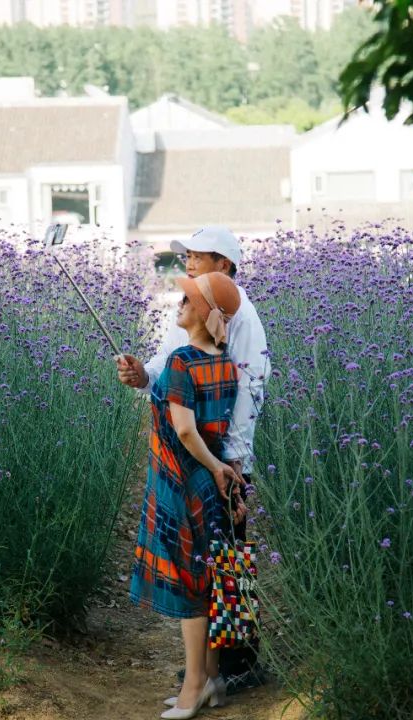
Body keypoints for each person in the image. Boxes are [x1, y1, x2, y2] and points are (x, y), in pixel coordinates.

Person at [117, 226, 271, 693]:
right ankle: (207, 670)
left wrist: (236, 462)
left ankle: (238, 665)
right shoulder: (193, 305)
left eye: (199, 256)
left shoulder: (240, 315)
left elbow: (250, 388)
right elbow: (170, 362)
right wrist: (144, 374)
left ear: (224, 265)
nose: (188, 262)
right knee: (205, 559)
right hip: (193, 456)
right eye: (187, 256)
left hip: (220, 453)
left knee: (228, 559)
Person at [128, 272, 243, 719]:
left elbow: (183, 430)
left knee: (191, 588)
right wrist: (221, 470)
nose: (180, 302)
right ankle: (213, 678)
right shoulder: (226, 360)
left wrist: (212, 467)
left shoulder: (181, 362)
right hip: (211, 486)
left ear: (204, 314)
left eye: (189, 298)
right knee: (213, 581)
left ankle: (192, 688)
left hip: (181, 480)